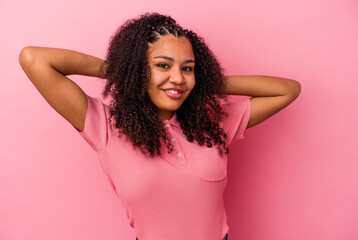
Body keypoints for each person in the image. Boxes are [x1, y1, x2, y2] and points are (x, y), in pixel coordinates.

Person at [19, 12, 300, 240]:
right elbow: (34, 58)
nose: (177, 78)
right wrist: (125, 70)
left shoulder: (212, 124)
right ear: (139, 69)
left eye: (187, 68)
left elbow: (287, 90)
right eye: (163, 66)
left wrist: (205, 82)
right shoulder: (105, 126)